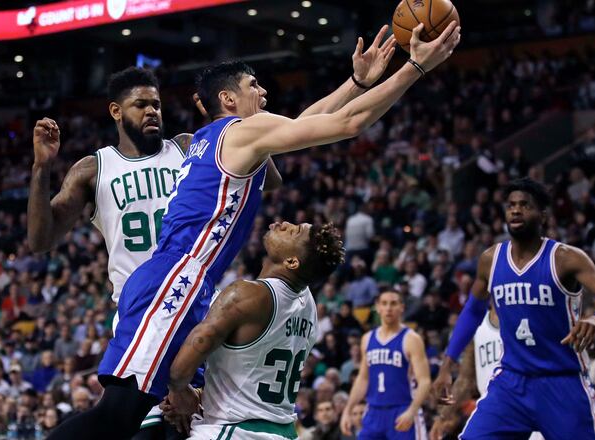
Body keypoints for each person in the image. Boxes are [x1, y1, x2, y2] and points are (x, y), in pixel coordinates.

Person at [48, 21, 458, 439]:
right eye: (253, 85)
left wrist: (356, 83)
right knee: (116, 416)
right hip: (175, 279)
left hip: (181, 279)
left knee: (161, 423)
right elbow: (348, 124)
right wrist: (415, 68)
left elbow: (301, 123)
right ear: (228, 99)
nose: (263, 93)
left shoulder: (216, 137)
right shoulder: (239, 131)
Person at [28, 67, 200, 436]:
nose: (152, 111)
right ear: (116, 111)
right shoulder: (93, 169)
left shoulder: (187, 148)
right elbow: (40, 240)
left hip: (194, 304)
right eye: (141, 104)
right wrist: (42, 168)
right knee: (120, 420)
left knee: (186, 423)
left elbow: (263, 175)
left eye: (156, 104)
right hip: (142, 311)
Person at [432, 177, 595, 439]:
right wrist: (447, 364)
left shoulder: (564, 258)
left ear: (542, 215)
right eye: (511, 205)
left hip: (561, 381)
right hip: (512, 382)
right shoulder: (491, 259)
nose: (516, 210)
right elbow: (473, 311)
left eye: (525, 205)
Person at [160, 221, 345, 439]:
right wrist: (203, 395)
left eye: (293, 232)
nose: (284, 224)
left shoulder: (247, 295)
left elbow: (182, 368)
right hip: (283, 431)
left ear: (292, 262)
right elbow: (252, 374)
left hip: (236, 431)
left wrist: (180, 392)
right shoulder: (309, 305)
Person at [430, 304, 544, 439]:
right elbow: (465, 380)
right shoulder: (478, 327)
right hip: (492, 413)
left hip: (526, 409)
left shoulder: (525, 318)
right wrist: (443, 416)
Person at [339, 290, 432, 439]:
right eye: (384, 303)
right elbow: (363, 379)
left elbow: (425, 381)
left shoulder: (411, 339)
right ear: (378, 307)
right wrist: (348, 410)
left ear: (402, 307)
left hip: (403, 409)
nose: (388, 308)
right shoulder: (367, 339)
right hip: (373, 410)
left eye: (393, 303)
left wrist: (412, 411)